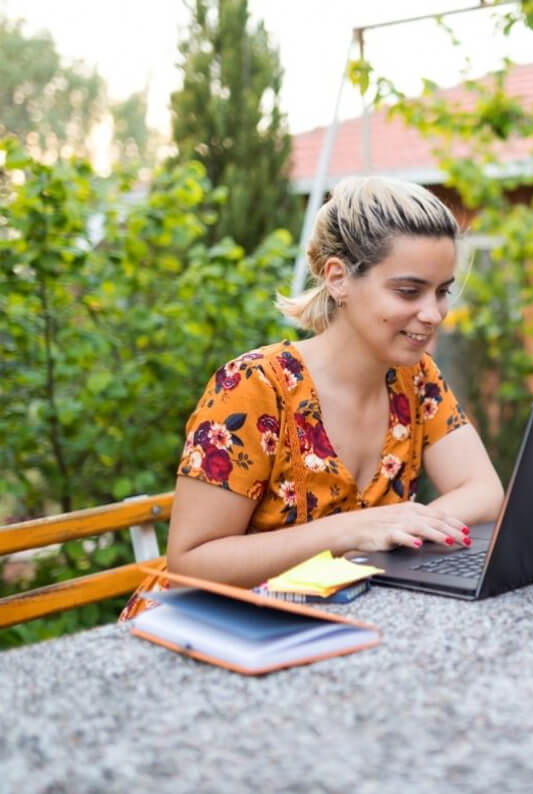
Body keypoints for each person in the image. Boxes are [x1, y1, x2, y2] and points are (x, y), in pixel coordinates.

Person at [122, 177, 504, 614]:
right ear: (338, 279)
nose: (433, 313)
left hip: (328, 624)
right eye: (408, 291)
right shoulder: (254, 386)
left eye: (442, 291)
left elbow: (484, 493)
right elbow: (190, 563)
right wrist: (354, 530)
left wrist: (400, 524)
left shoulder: (416, 379)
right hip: (201, 636)